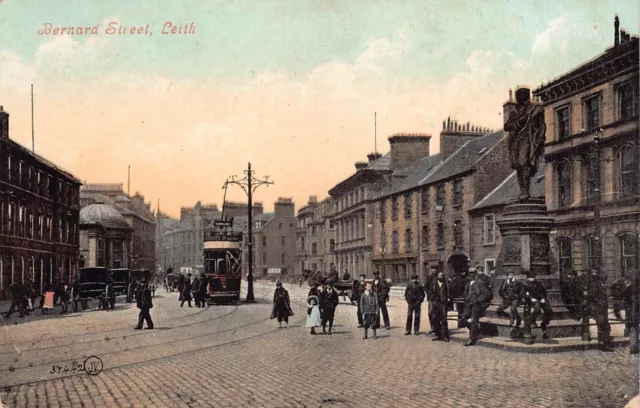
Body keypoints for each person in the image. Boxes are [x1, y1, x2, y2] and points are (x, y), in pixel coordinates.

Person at [461, 268, 491, 346]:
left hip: (476, 305)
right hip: (468, 304)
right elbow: (465, 293)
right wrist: (465, 298)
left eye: (473, 273)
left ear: (476, 274)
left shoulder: (480, 283)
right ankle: (475, 330)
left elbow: (485, 293)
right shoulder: (468, 283)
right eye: (470, 273)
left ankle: (471, 338)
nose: (471, 275)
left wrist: (478, 300)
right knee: (463, 319)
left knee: (474, 320)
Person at [520, 272, 553, 339]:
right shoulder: (525, 285)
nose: (532, 279)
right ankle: (532, 320)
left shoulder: (538, 284)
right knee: (537, 310)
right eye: (531, 277)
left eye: (533, 277)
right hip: (532, 301)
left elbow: (544, 292)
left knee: (549, 310)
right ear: (528, 278)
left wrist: (543, 298)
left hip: (541, 300)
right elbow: (524, 295)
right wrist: (531, 299)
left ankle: (544, 323)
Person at [589, 271, 614, 352]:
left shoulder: (601, 285)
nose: (605, 279)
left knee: (605, 326)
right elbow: (593, 296)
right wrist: (601, 303)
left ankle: (603, 344)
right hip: (599, 308)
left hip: (603, 308)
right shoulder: (595, 285)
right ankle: (602, 345)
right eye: (604, 278)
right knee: (602, 326)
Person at [429, 271, 450, 342]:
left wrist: (447, 300)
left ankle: (445, 336)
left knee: (444, 319)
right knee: (435, 319)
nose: (440, 276)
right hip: (436, 303)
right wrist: (433, 300)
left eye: (442, 275)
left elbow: (449, 292)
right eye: (439, 275)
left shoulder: (446, 284)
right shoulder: (433, 284)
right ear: (437, 276)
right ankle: (437, 335)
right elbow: (430, 292)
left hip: (443, 303)